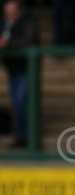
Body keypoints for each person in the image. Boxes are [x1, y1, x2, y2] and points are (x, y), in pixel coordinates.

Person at [0, 0, 38, 148]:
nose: (10, 13)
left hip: (26, 69)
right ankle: (20, 137)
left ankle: (28, 137)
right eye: (7, 10)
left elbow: (28, 41)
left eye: (12, 10)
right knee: (16, 103)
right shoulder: (4, 23)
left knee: (22, 102)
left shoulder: (28, 22)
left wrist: (7, 43)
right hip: (12, 69)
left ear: (18, 9)